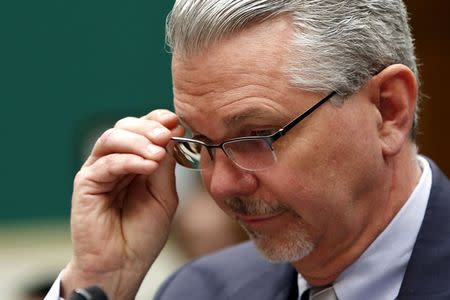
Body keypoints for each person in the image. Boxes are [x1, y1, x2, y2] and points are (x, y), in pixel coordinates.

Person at [45, 0, 450, 299]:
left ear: (388, 109)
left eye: (257, 136)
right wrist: (103, 278)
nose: (221, 185)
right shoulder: (200, 291)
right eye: (200, 144)